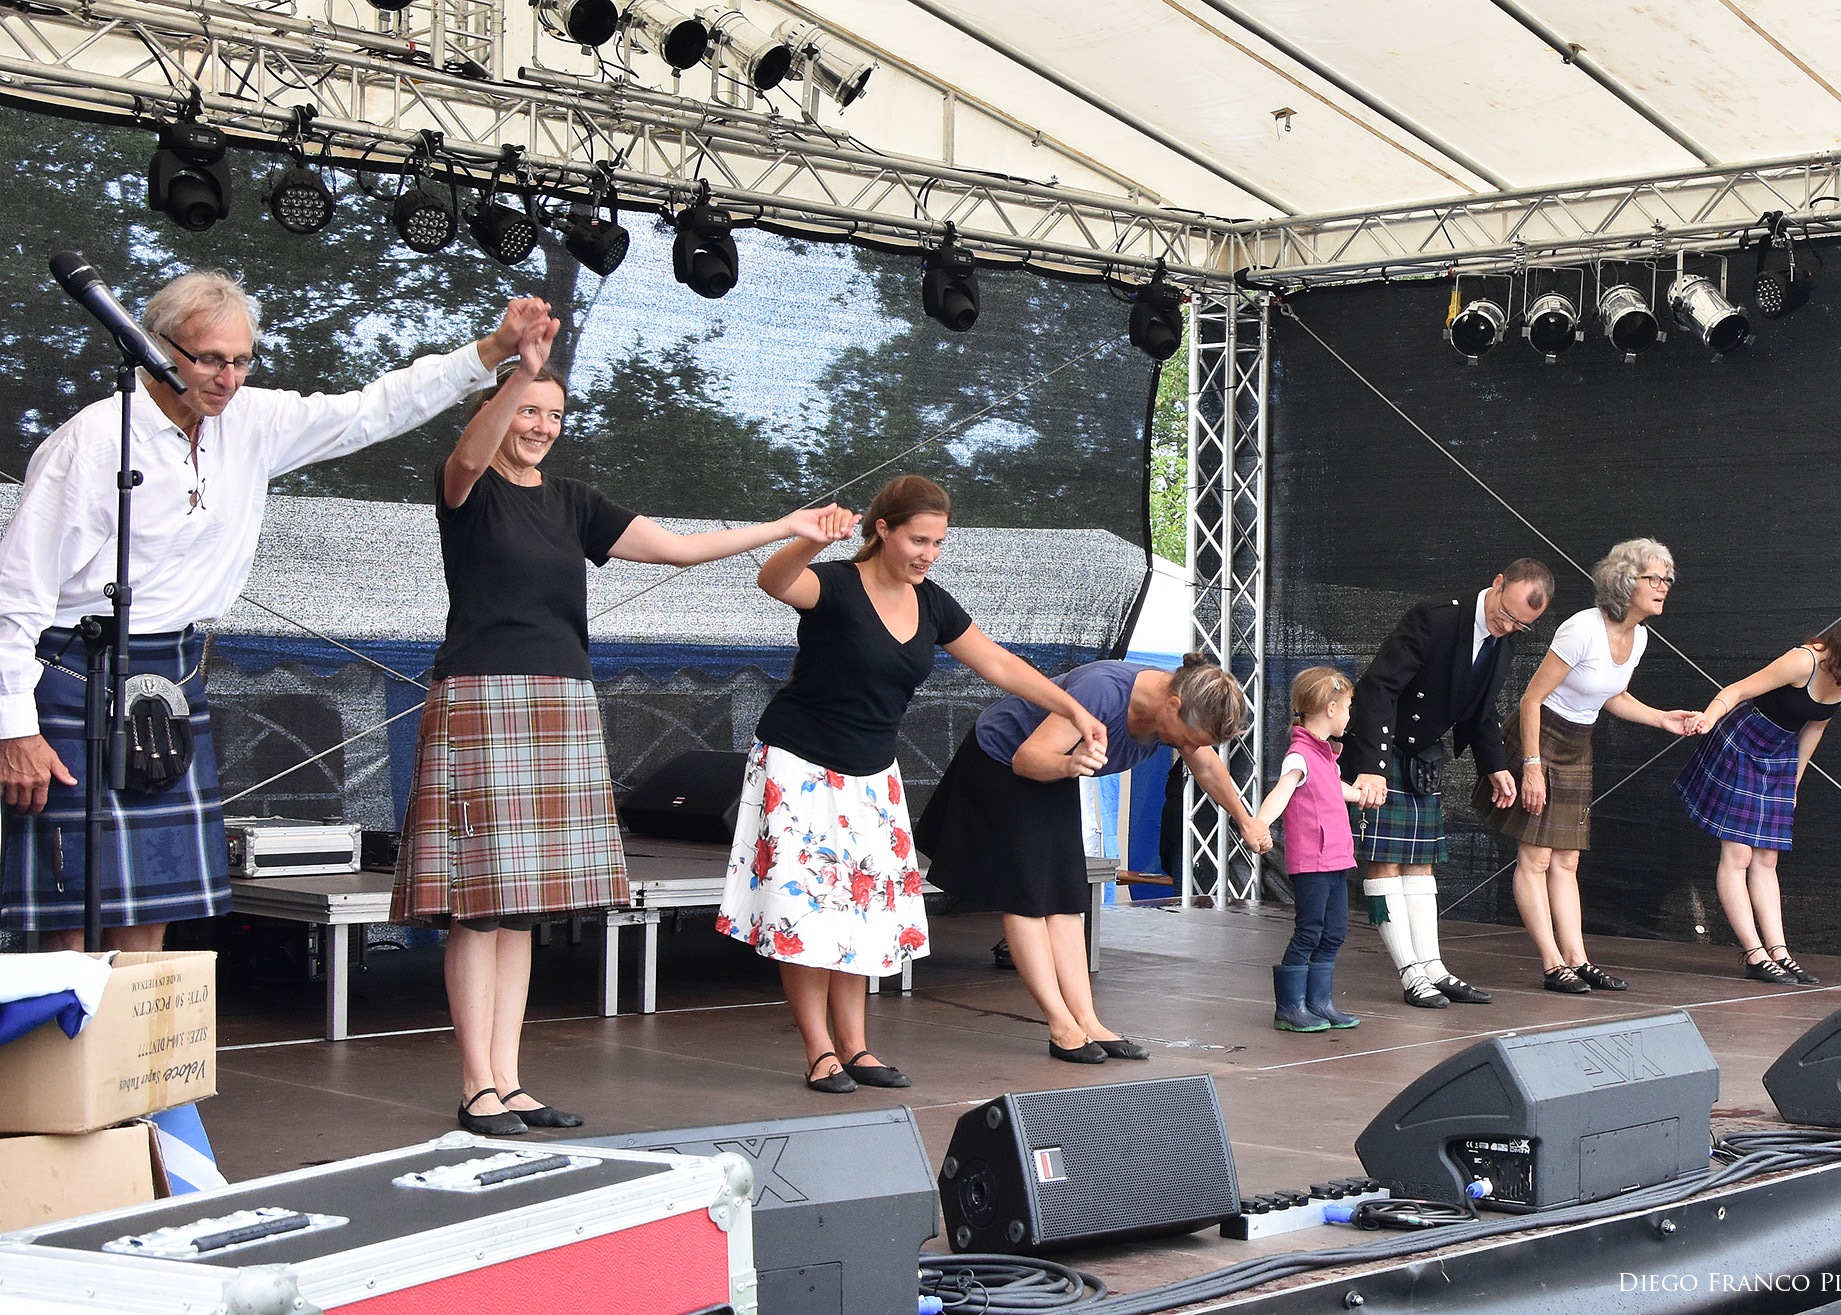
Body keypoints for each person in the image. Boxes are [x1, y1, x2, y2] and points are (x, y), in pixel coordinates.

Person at [391, 323, 858, 1136]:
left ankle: (509, 1080)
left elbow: (679, 549)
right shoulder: (467, 486)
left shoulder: (573, 502)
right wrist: (517, 372)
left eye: (553, 414)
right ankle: (476, 1086)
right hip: (483, 696)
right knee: (478, 907)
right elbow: (468, 456)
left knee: (522, 906)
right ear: (499, 408)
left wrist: (788, 525)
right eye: (528, 410)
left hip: (561, 699)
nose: (541, 425)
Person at [0, 271, 547, 951]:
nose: (228, 378)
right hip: (74, 672)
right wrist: (14, 728)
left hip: (170, 672)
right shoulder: (92, 443)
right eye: (210, 359)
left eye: (241, 360)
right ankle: (69, 1026)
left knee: (149, 910)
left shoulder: (251, 421)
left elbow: (373, 410)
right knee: (69, 913)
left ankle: (133, 1027)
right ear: (156, 346)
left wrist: (490, 350)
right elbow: (14, 594)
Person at [716, 474, 1108, 1093]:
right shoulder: (837, 585)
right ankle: (819, 1051)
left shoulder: (933, 603)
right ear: (883, 530)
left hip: (872, 773)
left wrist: (1074, 708)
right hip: (800, 765)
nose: (929, 554)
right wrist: (811, 538)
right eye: (918, 540)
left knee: (863, 908)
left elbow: (998, 662)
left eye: (938, 543)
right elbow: (775, 580)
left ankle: (856, 1047)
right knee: (808, 913)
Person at [919, 654, 1269, 1063]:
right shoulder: (1102, 692)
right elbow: (1027, 759)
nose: (1188, 749)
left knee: (1066, 897)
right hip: (1001, 762)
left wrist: (1245, 819)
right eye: (1189, 739)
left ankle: (1087, 1021)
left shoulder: (1176, 713)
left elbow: (1206, 766)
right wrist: (1070, 763)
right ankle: (1061, 1026)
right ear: (1173, 706)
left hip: (1056, 772)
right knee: (1026, 897)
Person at [1474, 540, 1700, 994]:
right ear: (1625, 581)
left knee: (1567, 859)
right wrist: (1531, 767)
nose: (1663, 587)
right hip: (1539, 736)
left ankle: (1578, 959)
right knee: (1536, 857)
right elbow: (1531, 699)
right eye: (1654, 579)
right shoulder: (1582, 628)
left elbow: (1612, 695)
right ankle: (1552, 963)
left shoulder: (1639, 637)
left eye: (1667, 580)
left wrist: (1662, 718)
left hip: (1578, 743)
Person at [1340, 559, 1555, 1008]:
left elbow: (1481, 707)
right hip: (1384, 750)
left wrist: (1494, 764)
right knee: (1384, 863)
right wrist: (1373, 765)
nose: (1507, 627)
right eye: (1506, 614)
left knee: (1421, 866)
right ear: (1497, 583)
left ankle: (1433, 968)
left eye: (1520, 624)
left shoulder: (1505, 638)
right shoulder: (1435, 617)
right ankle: (1410, 973)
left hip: (1422, 755)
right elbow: (1378, 687)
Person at [1674, 601, 1841, 987]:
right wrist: (1709, 717)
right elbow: (1738, 690)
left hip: (1781, 753)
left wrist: (1794, 782)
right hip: (1743, 740)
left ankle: (1779, 952)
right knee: (1738, 854)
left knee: (1767, 856)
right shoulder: (1805, 661)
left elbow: (1815, 726)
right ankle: (1755, 954)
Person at [1254, 666, 1361, 1032]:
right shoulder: (1300, 754)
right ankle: (1290, 1007)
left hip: (1335, 859)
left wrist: (1361, 794)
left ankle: (1319, 1002)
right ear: (1331, 709)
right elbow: (1282, 791)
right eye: (1348, 707)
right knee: (1309, 930)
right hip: (1313, 861)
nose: (1349, 715)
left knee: (1334, 931)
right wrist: (1260, 823)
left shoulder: (1325, 756)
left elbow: (1334, 787)